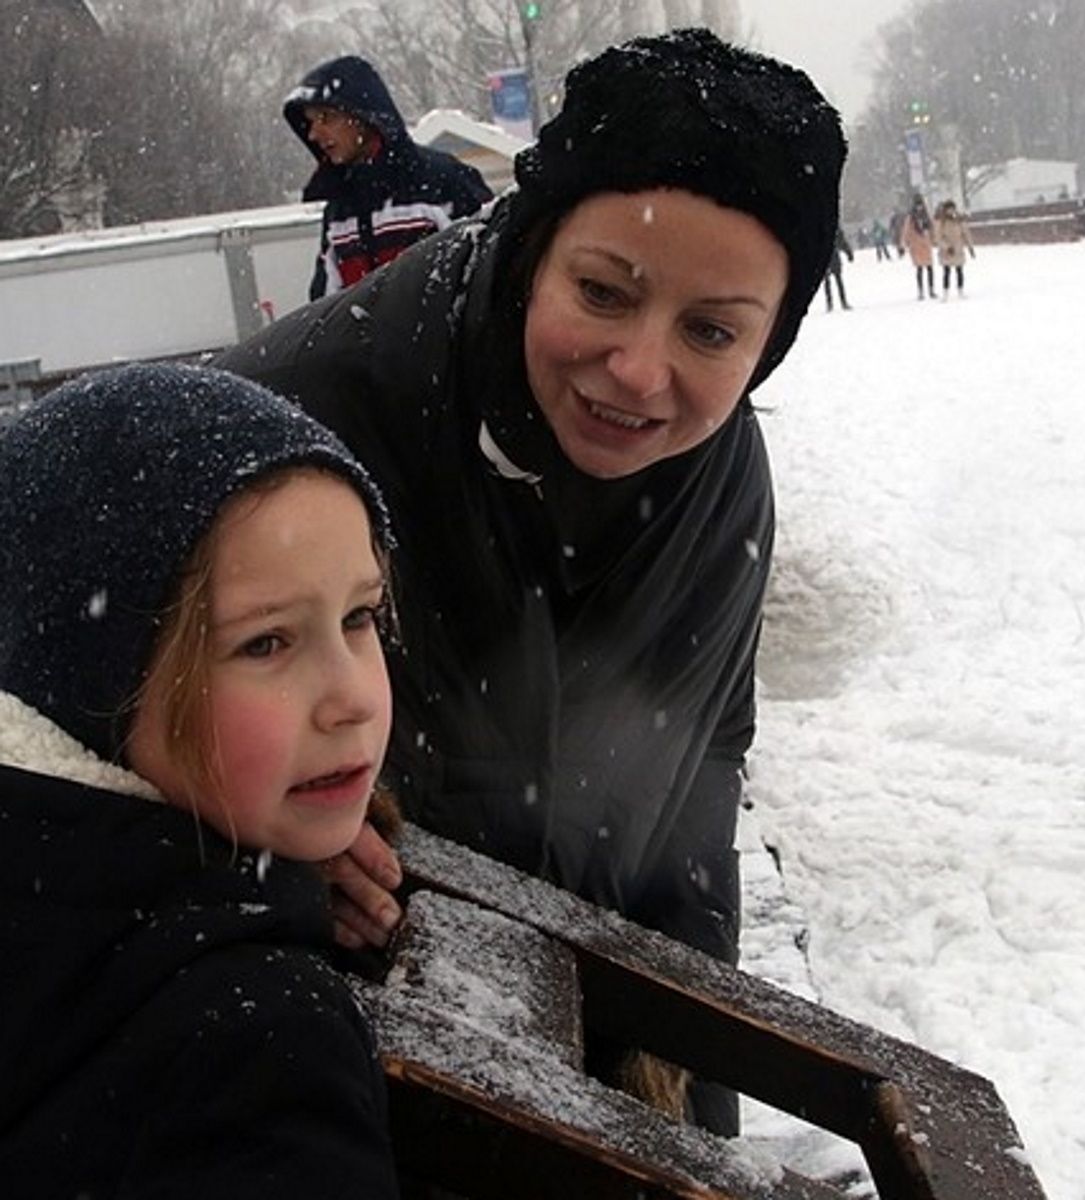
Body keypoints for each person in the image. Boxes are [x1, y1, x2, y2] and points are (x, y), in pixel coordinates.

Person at [220, 27, 846, 1136]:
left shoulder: (720, 479)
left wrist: (689, 1121)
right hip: (325, 1066)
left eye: (711, 330)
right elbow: (79, 743)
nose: (643, 372)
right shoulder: (295, 419)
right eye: (604, 294)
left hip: (563, 1040)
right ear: (531, 249)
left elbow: (697, 774)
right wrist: (264, 850)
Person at [0, 364, 402, 1198]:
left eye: (360, 617)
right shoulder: (260, 1041)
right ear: (99, 685)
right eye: (266, 644)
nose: (354, 697)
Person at [285, 54, 492, 300]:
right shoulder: (338, 213)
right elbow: (323, 313)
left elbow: (491, 280)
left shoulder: (443, 183)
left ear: (362, 117)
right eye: (310, 122)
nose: (314, 134)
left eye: (326, 118)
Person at [933, 198, 975, 298]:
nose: (951, 211)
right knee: (946, 271)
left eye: (952, 208)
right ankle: (945, 292)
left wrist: (970, 247)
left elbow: (966, 233)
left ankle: (960, 290)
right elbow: (938, 237)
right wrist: (946, 247)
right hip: (947, 251)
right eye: (949, 209)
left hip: (958, 248)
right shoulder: (941, 221)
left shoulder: (959, 220)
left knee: (959, 271)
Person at [901, 192, 937, 299]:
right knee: (919, 268)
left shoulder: (926, 215)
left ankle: (931, 289)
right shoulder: (911, 217)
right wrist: (904, 243)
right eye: (917, 205)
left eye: (920, 204)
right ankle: (921, 291)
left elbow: (932, 227)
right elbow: (906, 231)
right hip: (916, 245)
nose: (919, 207)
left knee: (930, 267)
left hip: (926, 244)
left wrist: (934, 239)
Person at [823, 224, 854, 311]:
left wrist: (848, 252)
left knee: (833, 281)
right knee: (832, 282)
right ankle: (834, 303)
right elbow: (842, 241)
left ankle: (836, 303)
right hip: (828, 258)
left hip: (831, 258)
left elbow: (842, 242)